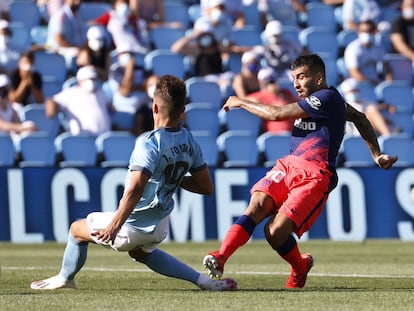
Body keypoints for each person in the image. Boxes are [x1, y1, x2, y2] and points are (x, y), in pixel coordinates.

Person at [202, 54, 398, 289]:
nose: (296, 83)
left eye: (302, 77)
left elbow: (276, 114)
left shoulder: (326, 97)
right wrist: (376, 153)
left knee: (274, 232)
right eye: (294, 78)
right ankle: (221, 257)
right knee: (256, 205)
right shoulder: (332, 102)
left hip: (315, 174)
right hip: (289, 165)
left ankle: (299, 267)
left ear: (319, 78)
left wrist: (241, 102)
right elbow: (360, 118)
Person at [30, 74, 238, 292]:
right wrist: (172, 179)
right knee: (140, 253)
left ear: (155, 108)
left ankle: (65, 278)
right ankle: (203, 281)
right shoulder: (189, 141)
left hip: (131, 226)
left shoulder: (148, 143)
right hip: (160, 225)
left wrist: (114, 226)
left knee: (76, 230)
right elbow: (206, 188)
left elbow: (136, 188)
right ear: (182, 112)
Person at [45, 66, 112, 136]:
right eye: (88, 79)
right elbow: (52, 100)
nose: (91, 81)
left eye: (93, 79)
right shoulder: (71, 93)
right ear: (80, 81)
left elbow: (110, 106)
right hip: (82, 138)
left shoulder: (100, 92)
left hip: (102, 136)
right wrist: (51, 108)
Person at [247, 67, 297, 134]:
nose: (271, 84)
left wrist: (285, 101)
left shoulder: (286, 92)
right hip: (273, 134)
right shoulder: (259, 96)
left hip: (292, 133)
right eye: (268, 82)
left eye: (272, 81)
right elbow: (245, 101)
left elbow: (299, 104)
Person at [344, 19, 393, 86]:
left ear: (374, 32)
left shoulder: (378, 48)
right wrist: (370, 84)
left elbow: (388, 69)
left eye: (370, 31)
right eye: (363, 31)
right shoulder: (352, 49)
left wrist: (388, 83)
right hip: (358, 84)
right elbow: (354, 73)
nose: (367, 33)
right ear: (358, 32)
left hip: (376, 83)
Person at [46, 0, 85, 71]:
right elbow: (59, 40)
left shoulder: (78, 15)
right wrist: (78, 49)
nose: (78, 2)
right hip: (56, 50)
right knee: (78, 53)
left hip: (72, 48)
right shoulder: (61, 15)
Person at [0, 73, 37, 139]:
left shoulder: (12, 107)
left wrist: (27, 128)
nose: (3, 91)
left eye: (6, 88)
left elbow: (16, 122)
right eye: (1, 88)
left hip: (9, 140)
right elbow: (3, 126)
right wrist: (23, 128)